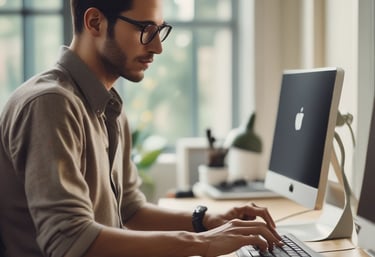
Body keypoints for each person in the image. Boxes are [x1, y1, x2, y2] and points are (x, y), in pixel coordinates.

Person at [0, 0, 283, 256]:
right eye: (146, 29)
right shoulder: (50, 104)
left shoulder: (108, 108)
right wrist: (204, 243)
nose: (158, 46)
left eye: (160, 30)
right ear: (95, 22)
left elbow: (129, 210)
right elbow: (70, 241)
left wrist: (207, 221)